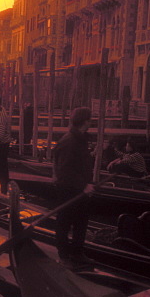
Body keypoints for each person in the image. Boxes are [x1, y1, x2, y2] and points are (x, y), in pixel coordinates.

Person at [52, 107, 94, 265]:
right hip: (69, 189)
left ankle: (77, 252)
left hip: (79, 189)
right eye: (90, 119)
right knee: (64, 222)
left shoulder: (79, 139)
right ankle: (64, 255)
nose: (91, 122)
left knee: (80, 222)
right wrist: (84, 185)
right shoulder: (70, 141)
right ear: (86, 121)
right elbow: (64, 169)